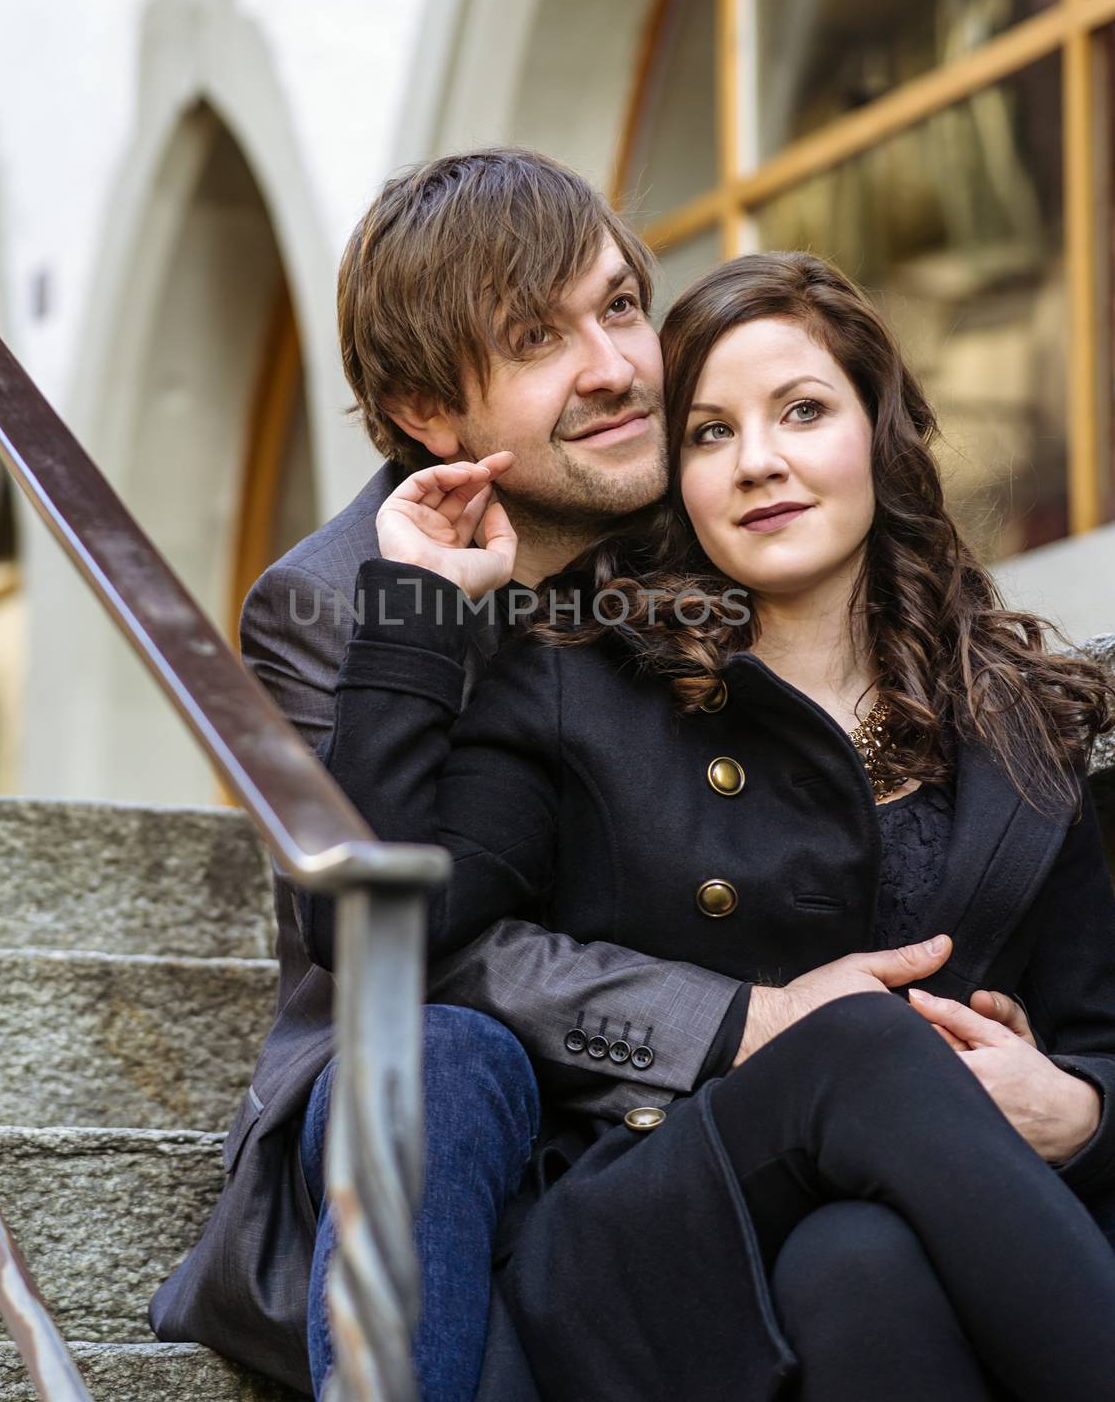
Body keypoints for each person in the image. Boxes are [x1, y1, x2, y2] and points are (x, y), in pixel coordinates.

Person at [154, 153, 977, 1398]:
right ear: (430, 410)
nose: (613, 367)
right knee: (438, 1050)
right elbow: (399, 938)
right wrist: (741, 1020)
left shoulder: (708, 515)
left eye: (619, 307)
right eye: (538, 338)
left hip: (696, 1134)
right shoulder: (326, 600)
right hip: (439, 1116)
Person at [309, 250, 1115, 1401]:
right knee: (862, 1040)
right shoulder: (577, 678)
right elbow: (386, 933)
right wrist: (414, 608)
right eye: (707, 433)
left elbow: (1098, 1032)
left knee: (861, 1263)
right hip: (642, 1223)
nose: (760, 463)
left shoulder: (1020, 730)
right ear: (673, 479)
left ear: (877, 438)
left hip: (882, 1252)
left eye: (801, 411)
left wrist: (1079, 1110)